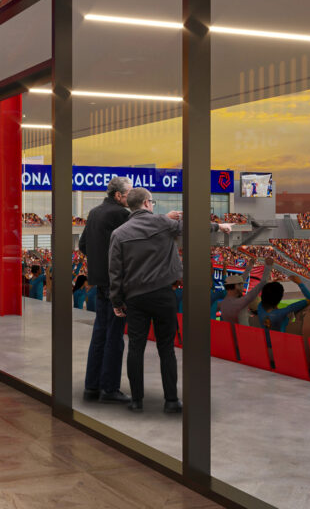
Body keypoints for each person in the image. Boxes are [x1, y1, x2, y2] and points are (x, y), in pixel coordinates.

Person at [108, 188, 232, 413]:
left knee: (135, 348)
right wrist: (219, 226)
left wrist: (116, 301)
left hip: (135, 297)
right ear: (147, 203)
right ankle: (171, 401)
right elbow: (194, 227)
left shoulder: (119, 233)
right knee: (166, 349)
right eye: (152, 202)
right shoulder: (162, 223)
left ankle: (136, 401)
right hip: (163, 295)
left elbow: (115, 272)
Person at [79, 176, 132, 404]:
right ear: (118, 195)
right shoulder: (121, 214)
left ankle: (92, 386)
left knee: (100, 334)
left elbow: (83, 245)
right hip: (116, 283)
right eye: (129, 194)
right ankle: (109, 388)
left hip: (100, 281)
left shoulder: (94, 213)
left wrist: (99, 260)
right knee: (115, 337)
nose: (131, 197)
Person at [217, 258, 274, 324]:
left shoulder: (224, 298)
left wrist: (250, 266)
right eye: (241, 284)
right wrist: (268, 267)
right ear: (236, 286)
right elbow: (263, 282)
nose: (243, 286)